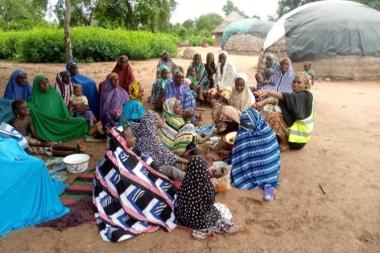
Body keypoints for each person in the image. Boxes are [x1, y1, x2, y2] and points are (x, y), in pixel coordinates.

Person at [93, 126, 177, 242]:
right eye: (131, 136)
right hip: (123, 189)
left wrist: (153, 174)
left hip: (131, 183)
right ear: (122, 140)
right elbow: (125, 183)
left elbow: (146, 165)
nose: (135, 138)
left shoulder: (128, 150)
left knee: (166, 187)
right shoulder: (115, 162)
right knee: (148, 196)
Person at [0, 136, 68, 236]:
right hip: (8, 174)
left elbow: (13, 155)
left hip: (12, 165)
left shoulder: (6, 140)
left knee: (37, 164)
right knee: (38, 165)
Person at [174, 155, 239, 240]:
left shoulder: (185, 184)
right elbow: (210, 204)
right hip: (199, 222)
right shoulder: (207, 187)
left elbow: (179, 199)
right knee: (221, 208)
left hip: (182, 218)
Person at [231, 108, 281, 201]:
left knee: (236, 173)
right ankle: (268, 186)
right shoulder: (267, 130)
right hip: (272, 171)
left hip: (261, 169)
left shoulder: (245, 136)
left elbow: (239, 155)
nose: (245, 127)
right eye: (243, 124)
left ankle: (267, 185)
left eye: (247, 125)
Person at [255, 73, 314, 150]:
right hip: (295, 136)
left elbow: (286, 97)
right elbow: (282, 100)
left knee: (272, 113)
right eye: (294, 82)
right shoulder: (297, 95)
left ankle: (285, 143)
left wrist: (268, 92)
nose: (295, 84)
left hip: (298, 139)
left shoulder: (306, 96)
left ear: (305, 85)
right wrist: (264, 101)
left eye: (299, 82)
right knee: (271, 107)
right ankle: (280, 137)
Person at [27, 74, 89, 142]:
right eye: (42, 83)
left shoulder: (55, 94)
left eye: (47, 82)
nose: (46, 85)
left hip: (61, 122)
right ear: (37, 85)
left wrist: (67, 119)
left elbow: (64, 113)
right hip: (48, 126)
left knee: (82, 121)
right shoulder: (32, 101)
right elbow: (33, 114)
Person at [131, 110, 188, 180]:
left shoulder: (148, 134)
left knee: (177, 165)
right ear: (153, 122)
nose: (162, 119)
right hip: (154, 167)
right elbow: (168, 155)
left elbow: (166, 154)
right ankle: (191, 180)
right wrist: (187, 161)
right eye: (159, 118)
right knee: (172, 169)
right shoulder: (151, 137)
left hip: (152, 163)